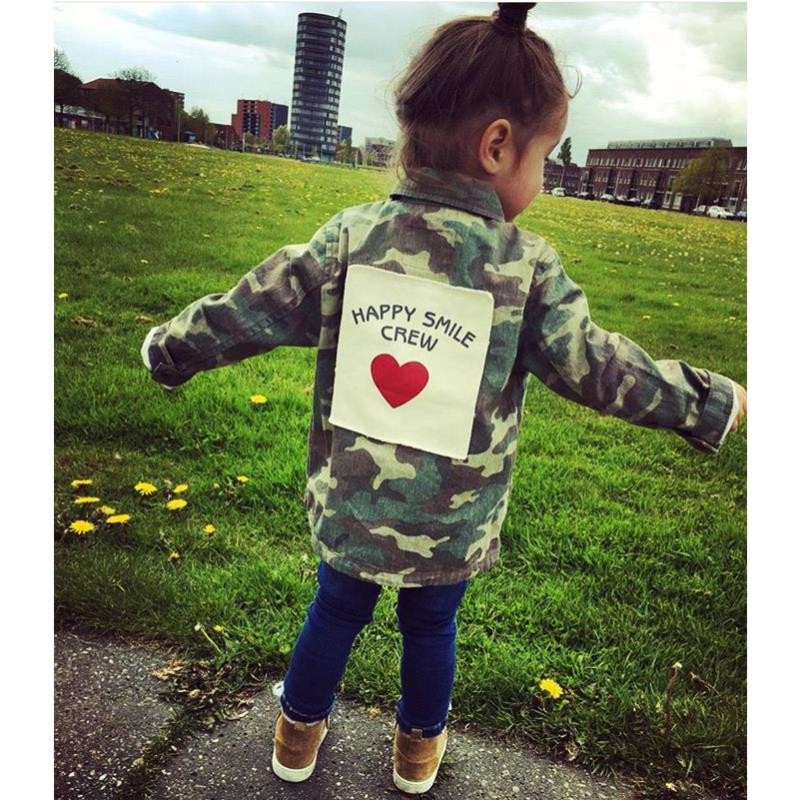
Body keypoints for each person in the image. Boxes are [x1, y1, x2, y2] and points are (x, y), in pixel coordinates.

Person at [141, 3, 747, 794]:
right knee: (432, 625)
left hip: (354, 505)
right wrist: (709, 402)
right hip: (453, 522)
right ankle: (416, 753)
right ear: (498, 146)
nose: (544, 178)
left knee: (335, 611)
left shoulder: (350, 238)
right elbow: (600, 367)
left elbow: (246, 311)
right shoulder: (527, 269)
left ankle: (296, 737)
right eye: (544, 158)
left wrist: (171, 351)